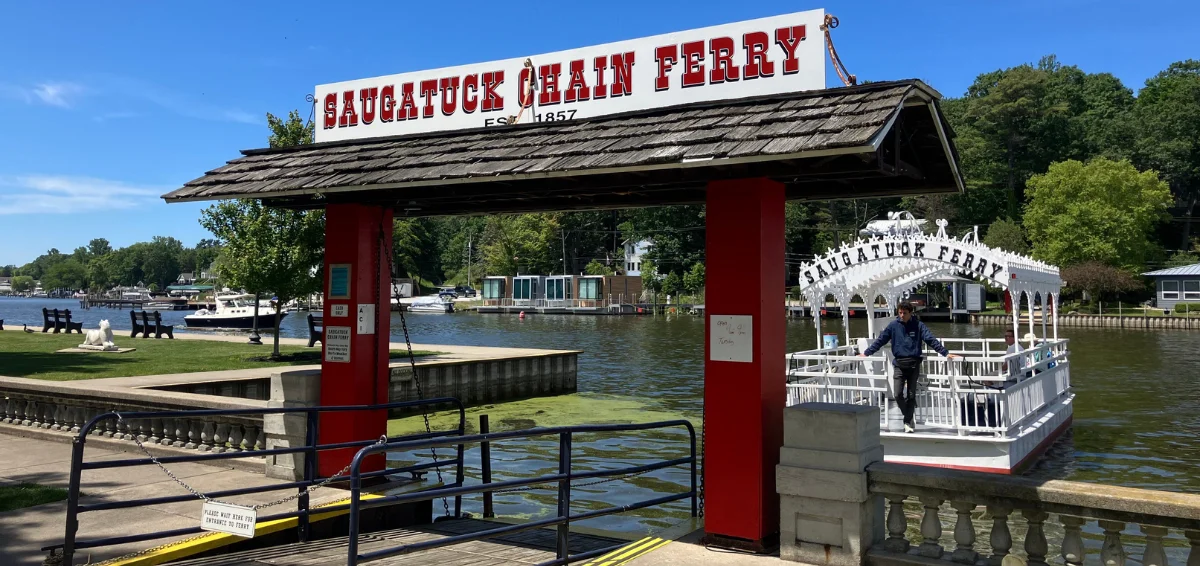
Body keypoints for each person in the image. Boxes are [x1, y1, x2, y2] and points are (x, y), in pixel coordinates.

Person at [858, 301, 960, 433]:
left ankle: (907, 422)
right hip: (899, 364)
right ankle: (909, 416)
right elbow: (881, 340)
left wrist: (945, 353)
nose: (901, 315)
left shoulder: (918, 325)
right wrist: (866, 353)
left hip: (913, 364)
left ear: (910, 313)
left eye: (904, 313)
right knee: (898, 394)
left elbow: (930, 339)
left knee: (911, 395)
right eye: (899, 313)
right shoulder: (893, 326)